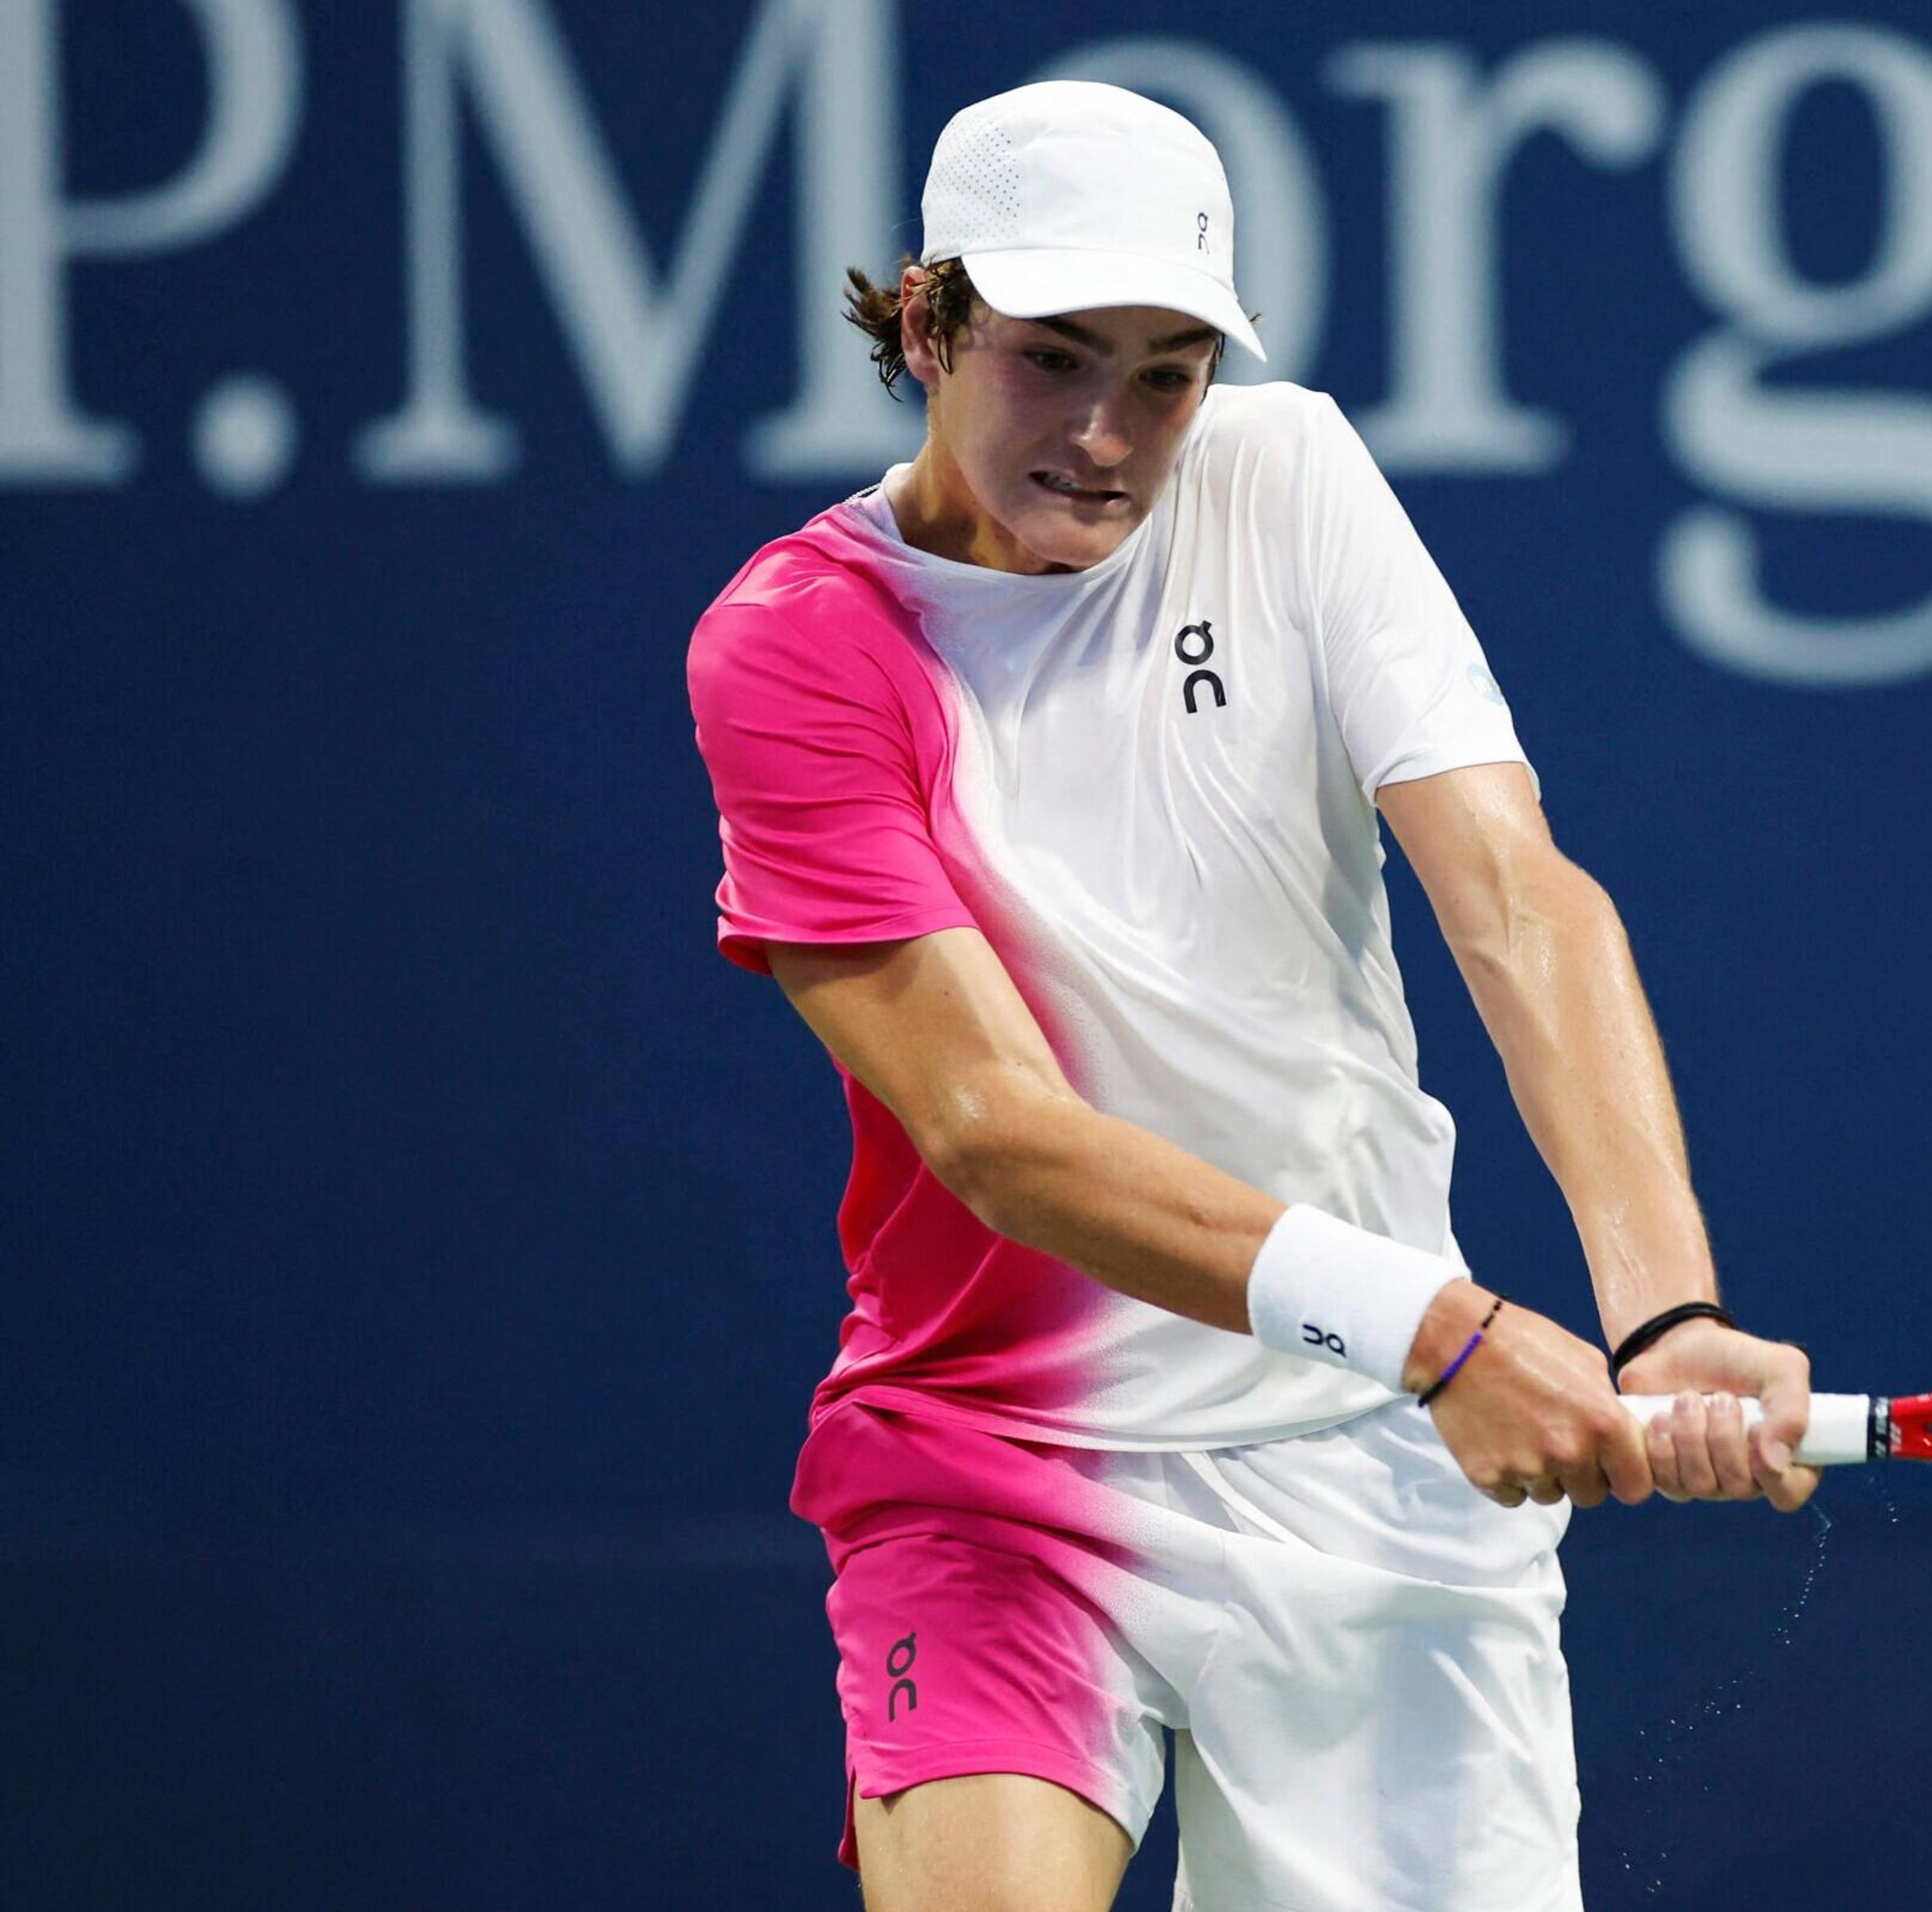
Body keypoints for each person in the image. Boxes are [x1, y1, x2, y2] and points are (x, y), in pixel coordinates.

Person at [687, 80, 1816, 1912]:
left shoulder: (1287, 480)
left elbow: (1517, 899)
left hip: (1375, 1488)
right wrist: (1434, 1326)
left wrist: (1665, 1306)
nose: (1112, 433)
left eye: (1167, 372)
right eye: (1055, 358)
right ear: (926, 323)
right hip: (1001, 1461)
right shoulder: (800, 646)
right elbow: (995, 1134)